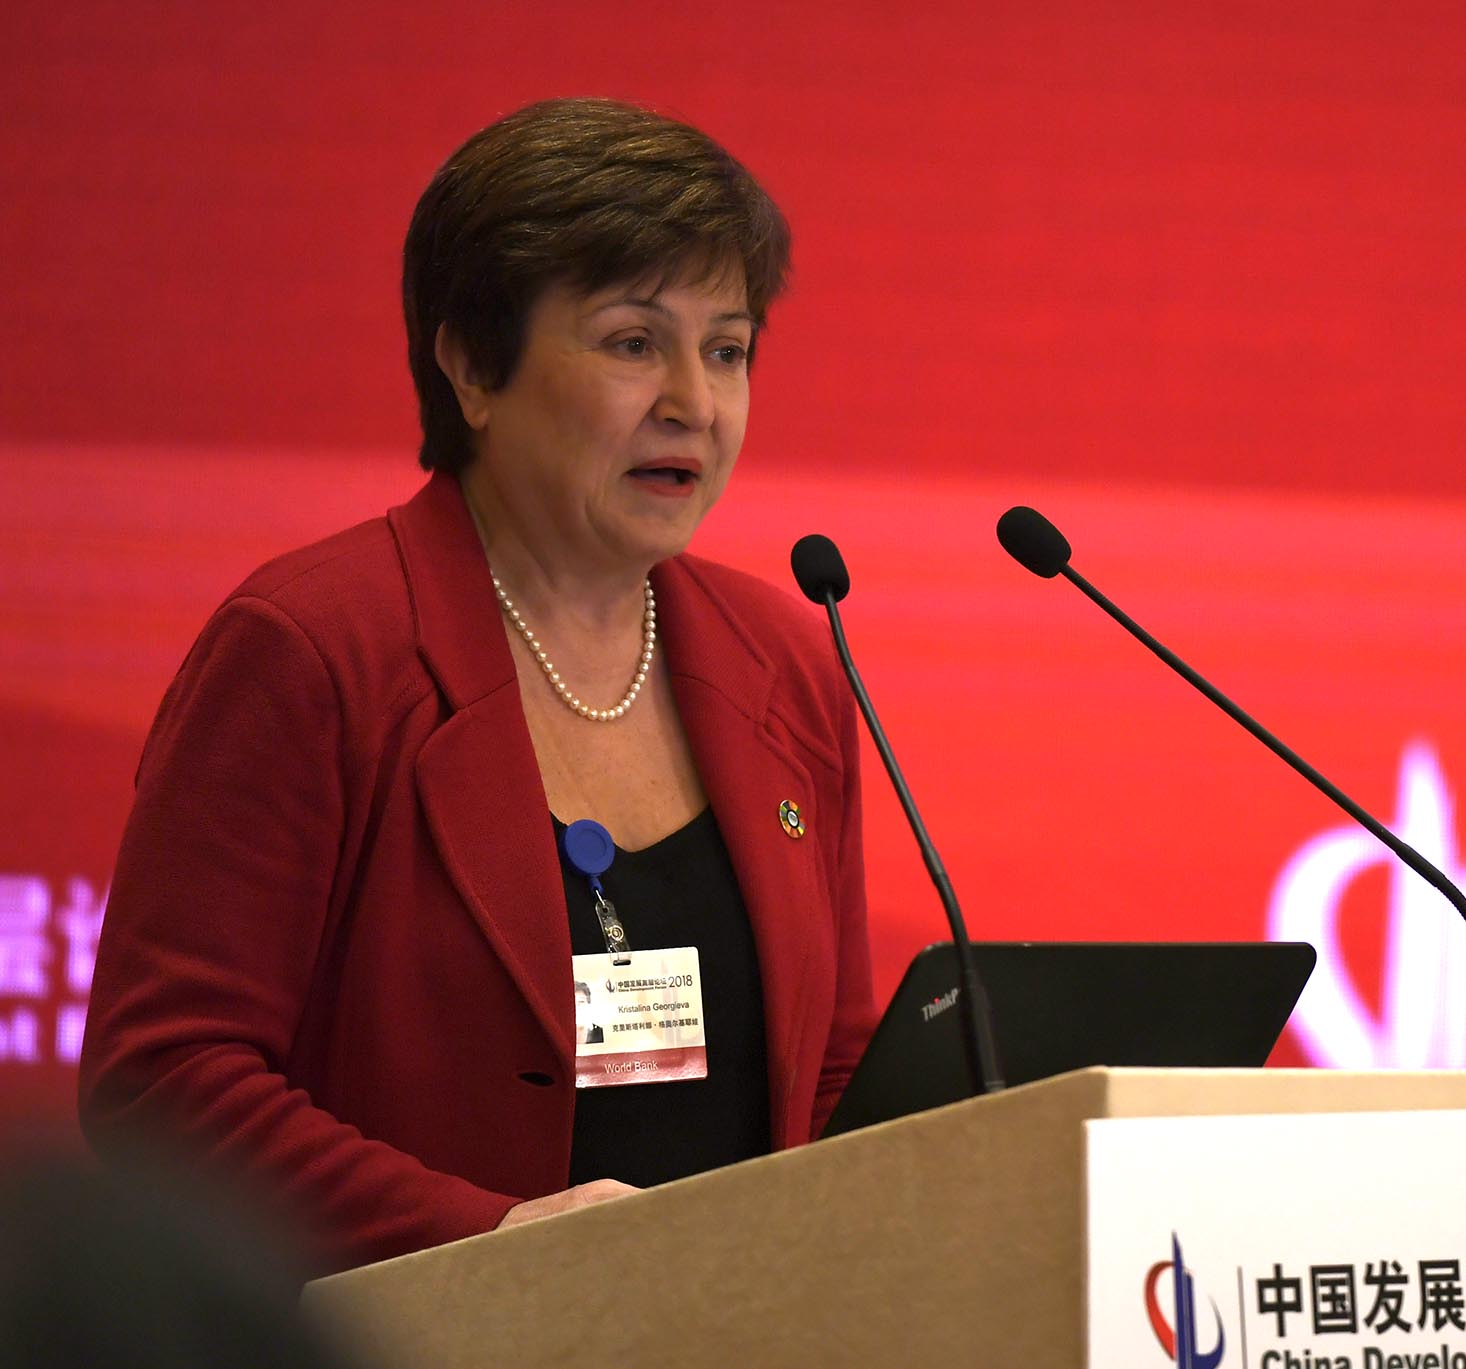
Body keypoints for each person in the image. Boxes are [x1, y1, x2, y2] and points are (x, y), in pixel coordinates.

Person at [77, 98, 876, 1274]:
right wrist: (485, 1242)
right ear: (470, 366)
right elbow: (164, 1079)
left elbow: (838, 1070)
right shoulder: (315, 650)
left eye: (726, 349)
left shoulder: (782, 663)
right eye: (631, 342)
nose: (694, 403)